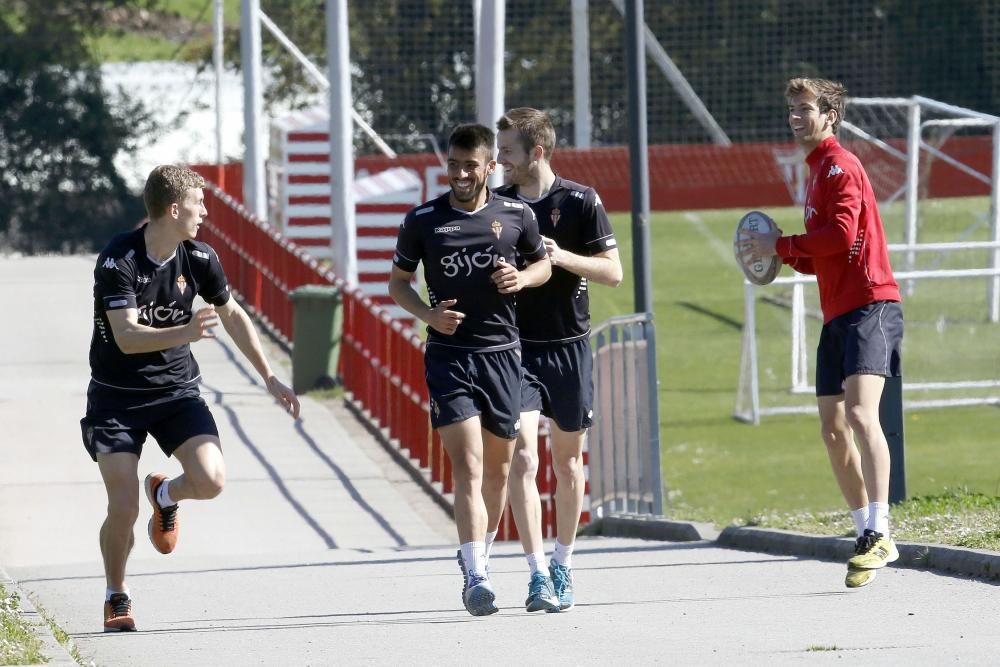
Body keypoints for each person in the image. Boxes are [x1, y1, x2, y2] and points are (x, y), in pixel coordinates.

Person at [82, 165, 301, 632]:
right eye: (199, 204)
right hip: (117, 398)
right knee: (122, 508)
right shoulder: (118, 259)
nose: (205, 212)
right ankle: (115, 595)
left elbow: (233, 313)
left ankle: (165, 492)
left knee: (212, 480)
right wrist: (185, 330)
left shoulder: (200, 258)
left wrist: (269, 376)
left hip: (176, 391)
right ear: (174, 208)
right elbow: (124, 336)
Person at [746, 78, 903, 589]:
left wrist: (782, 242)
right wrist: (781, 254)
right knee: (833, 429)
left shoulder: (840, 166)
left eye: (805, 108)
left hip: (870, 305)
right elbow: (821, 257)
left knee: (860, 413)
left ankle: (881, 528)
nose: (795, 115)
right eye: (791, 108)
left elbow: (838, 236)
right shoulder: (815, 172)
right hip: (837, 313)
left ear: (830, 115)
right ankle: (864, 534)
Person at [388, 123, 551, 616]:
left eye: (470, 166)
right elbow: (398, 284)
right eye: (454, 165)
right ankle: (475, 574)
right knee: (470, 464)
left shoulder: (516, 213)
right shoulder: (423, 220)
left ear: (489, 167)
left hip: (503, 355)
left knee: (500, 472)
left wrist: (519, 278)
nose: (461, 174)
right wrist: (428, 315)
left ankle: (481, 554)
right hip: (449, 356)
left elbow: (542, 266)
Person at [493, 107, 623, 612]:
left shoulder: (580, 201)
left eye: (507, 151)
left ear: (537, 152)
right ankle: (536, 573)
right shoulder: (497, 204)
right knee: (523, 457)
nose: (500, 159)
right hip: (515, 349)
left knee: (567, 463)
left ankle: (564, 562)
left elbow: (613, 273)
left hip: (569, 345)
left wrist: (559, 256)